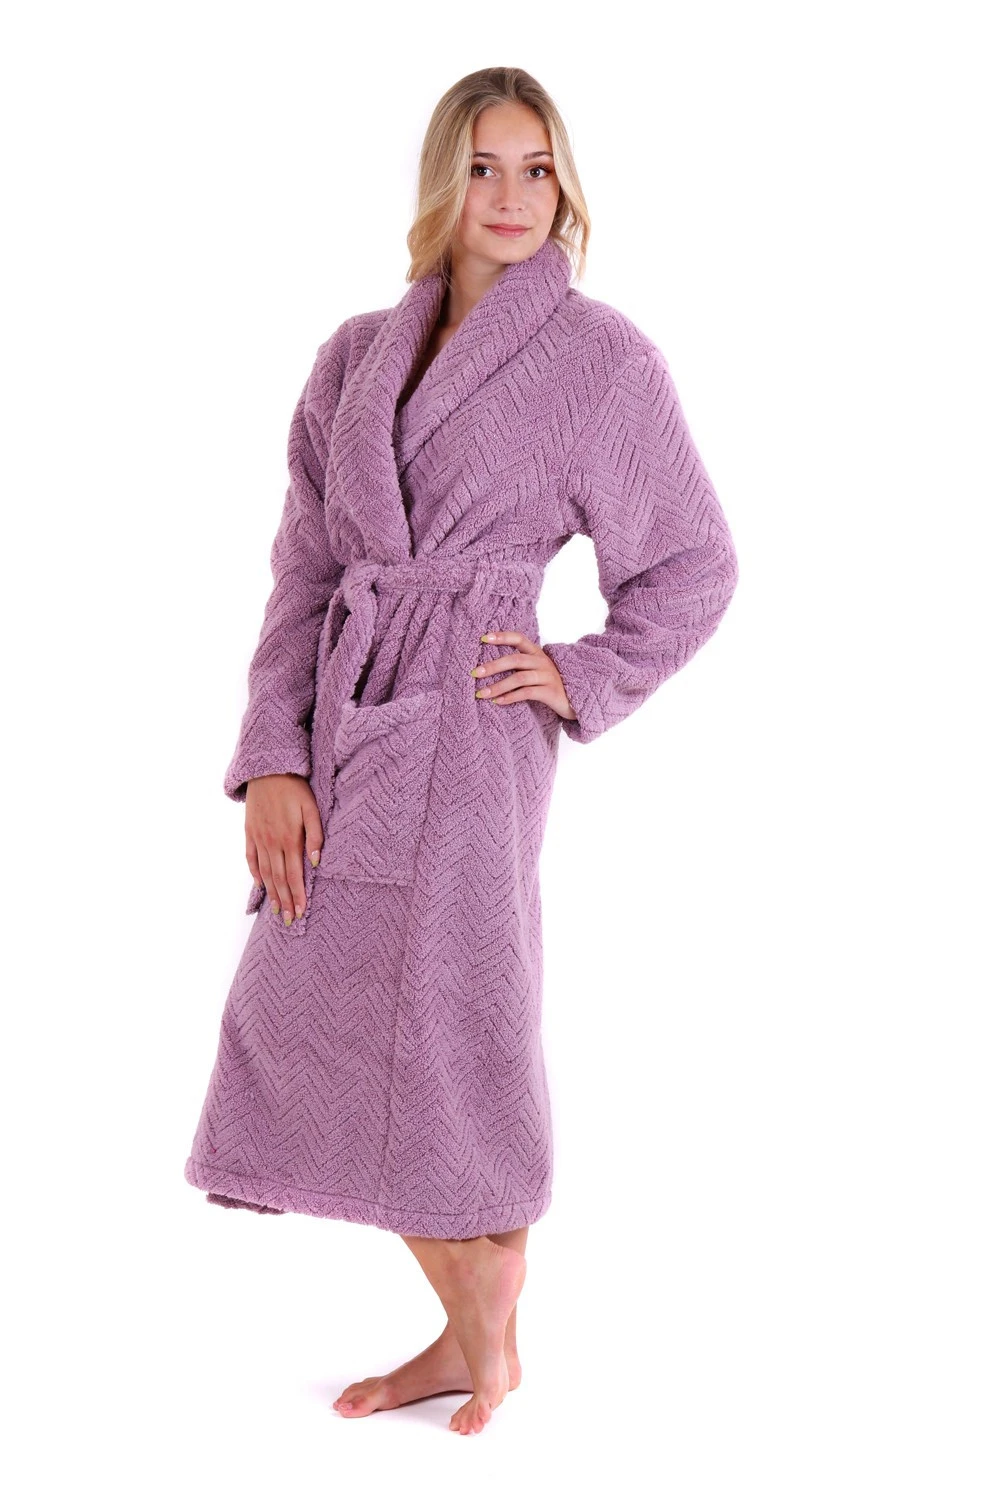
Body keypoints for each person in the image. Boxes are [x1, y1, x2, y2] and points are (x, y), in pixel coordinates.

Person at [184, 66, 739, 1436]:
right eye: (484, 167)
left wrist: (579, 672)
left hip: (475, 727)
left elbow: (693, 563)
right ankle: (471, 1327)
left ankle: (481, 1306)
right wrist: (272, 760)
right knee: (299, 1006)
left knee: (449, 1011)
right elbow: (305, 573)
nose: (511, 196)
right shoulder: (354, 357)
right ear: (444, 178)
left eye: (535, 169)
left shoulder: (601, 362)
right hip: (347, 713)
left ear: (565, 184)